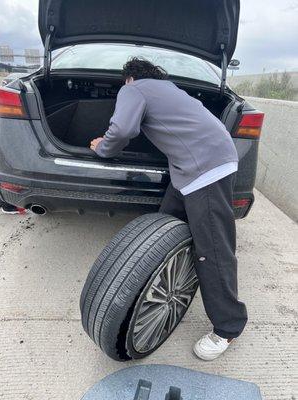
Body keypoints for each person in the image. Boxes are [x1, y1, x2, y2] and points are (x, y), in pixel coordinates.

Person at [90, 57, 248, 361]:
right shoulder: (169, 89)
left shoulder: (134, 89)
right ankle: (158, 279)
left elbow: (122, 129)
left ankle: (229, 326)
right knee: (163, 227)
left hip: (206, 167)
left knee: (213, 249)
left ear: (129, 78)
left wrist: (101, 148)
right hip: (195, 163)